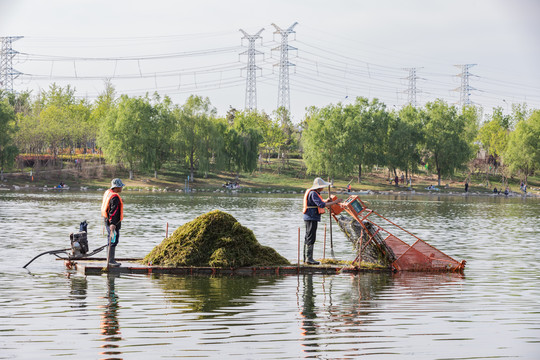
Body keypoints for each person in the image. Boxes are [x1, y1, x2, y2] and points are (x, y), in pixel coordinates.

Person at [302, 178, 342, 265]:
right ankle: (309, 259)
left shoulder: (313, 193)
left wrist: (326, 201)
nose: (323, 188)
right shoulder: (313, 193)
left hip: (309, 217)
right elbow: (321, 205)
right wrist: (334, 202)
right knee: (310, 237)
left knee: (308, 236)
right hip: (311, 217)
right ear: (318, 187)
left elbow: (319, 202)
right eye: (322, 187)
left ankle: (306, 258)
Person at [101, 178, 125, 267]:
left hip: (106, 219)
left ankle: (110, 259)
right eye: (120, 187)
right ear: (116, 187)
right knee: (113, 239)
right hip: (112, 222)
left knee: (111, 239)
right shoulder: (114, 197)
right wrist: (112, 223)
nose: (121, 188)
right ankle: (111, 260)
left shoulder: (109, 193)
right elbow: (113, 211)